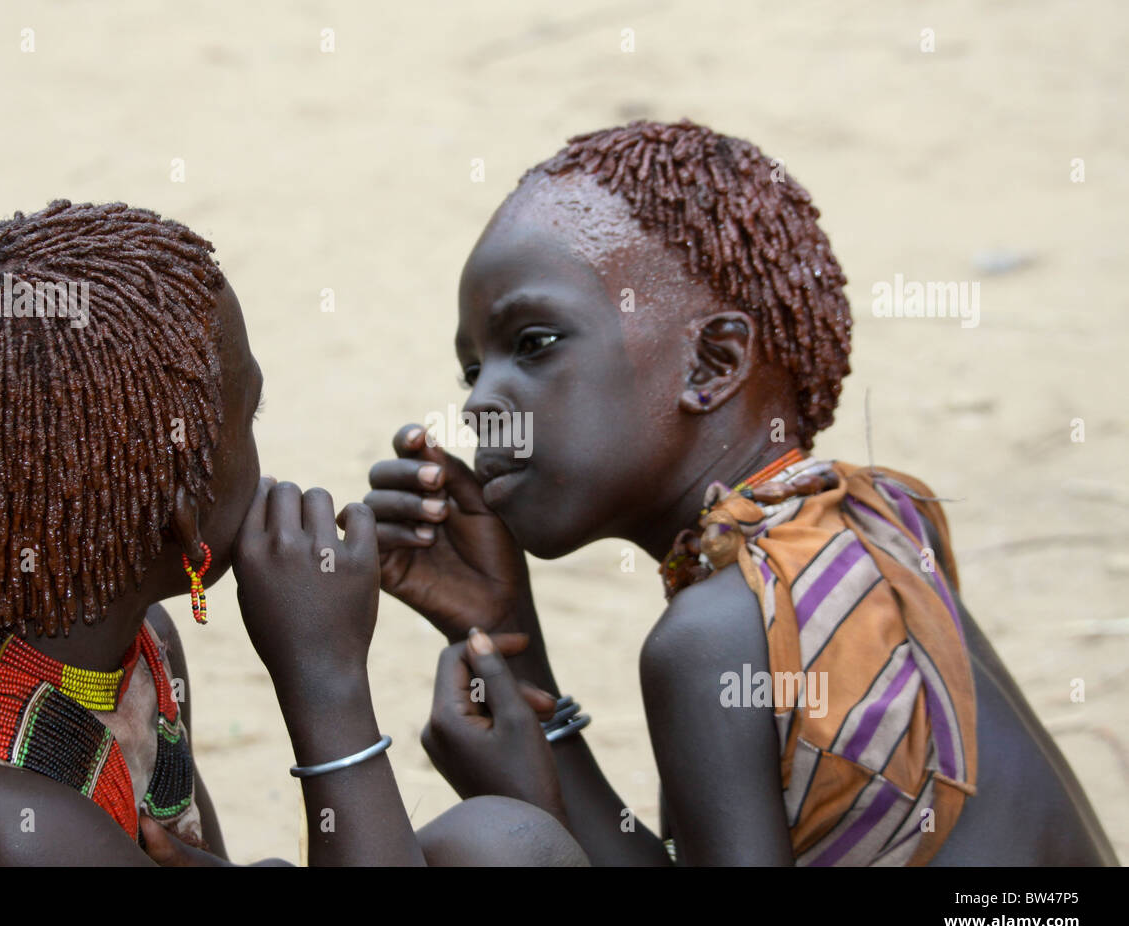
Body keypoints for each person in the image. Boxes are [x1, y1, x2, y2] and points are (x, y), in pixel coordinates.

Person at [365, 120, 1118, 865]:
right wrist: (506, 633)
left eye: (534, 344)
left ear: (714, 363)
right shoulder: (876, 517)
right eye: (473, 371)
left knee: (480, 851)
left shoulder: (716, 636)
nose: (479, 406)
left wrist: (524, 800)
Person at [0, 200, 584, 867]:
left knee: (505, 846)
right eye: (246, 420)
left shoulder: (135, 640)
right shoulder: (3, 828)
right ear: (185, 519)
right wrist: (325, 683)